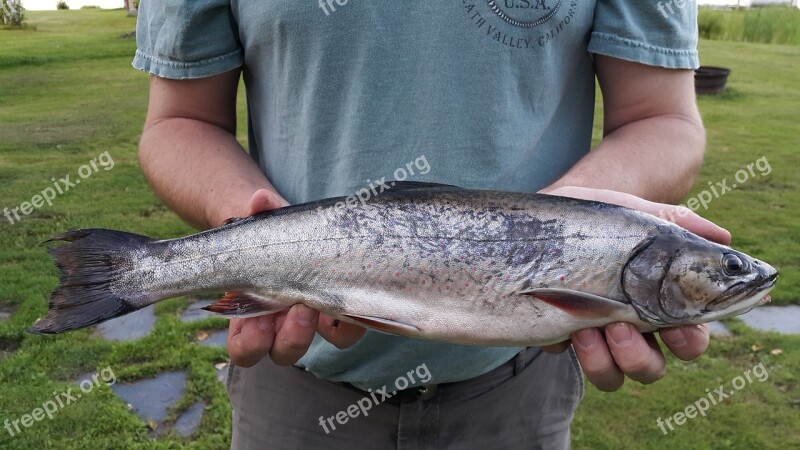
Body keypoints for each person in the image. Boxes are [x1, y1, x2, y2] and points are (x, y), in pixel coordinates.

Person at [133, 1, 730, 448]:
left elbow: (662, 118)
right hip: (293, 381)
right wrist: (258, 234)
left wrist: (563, 225)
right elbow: (180, 120)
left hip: (520, 386)